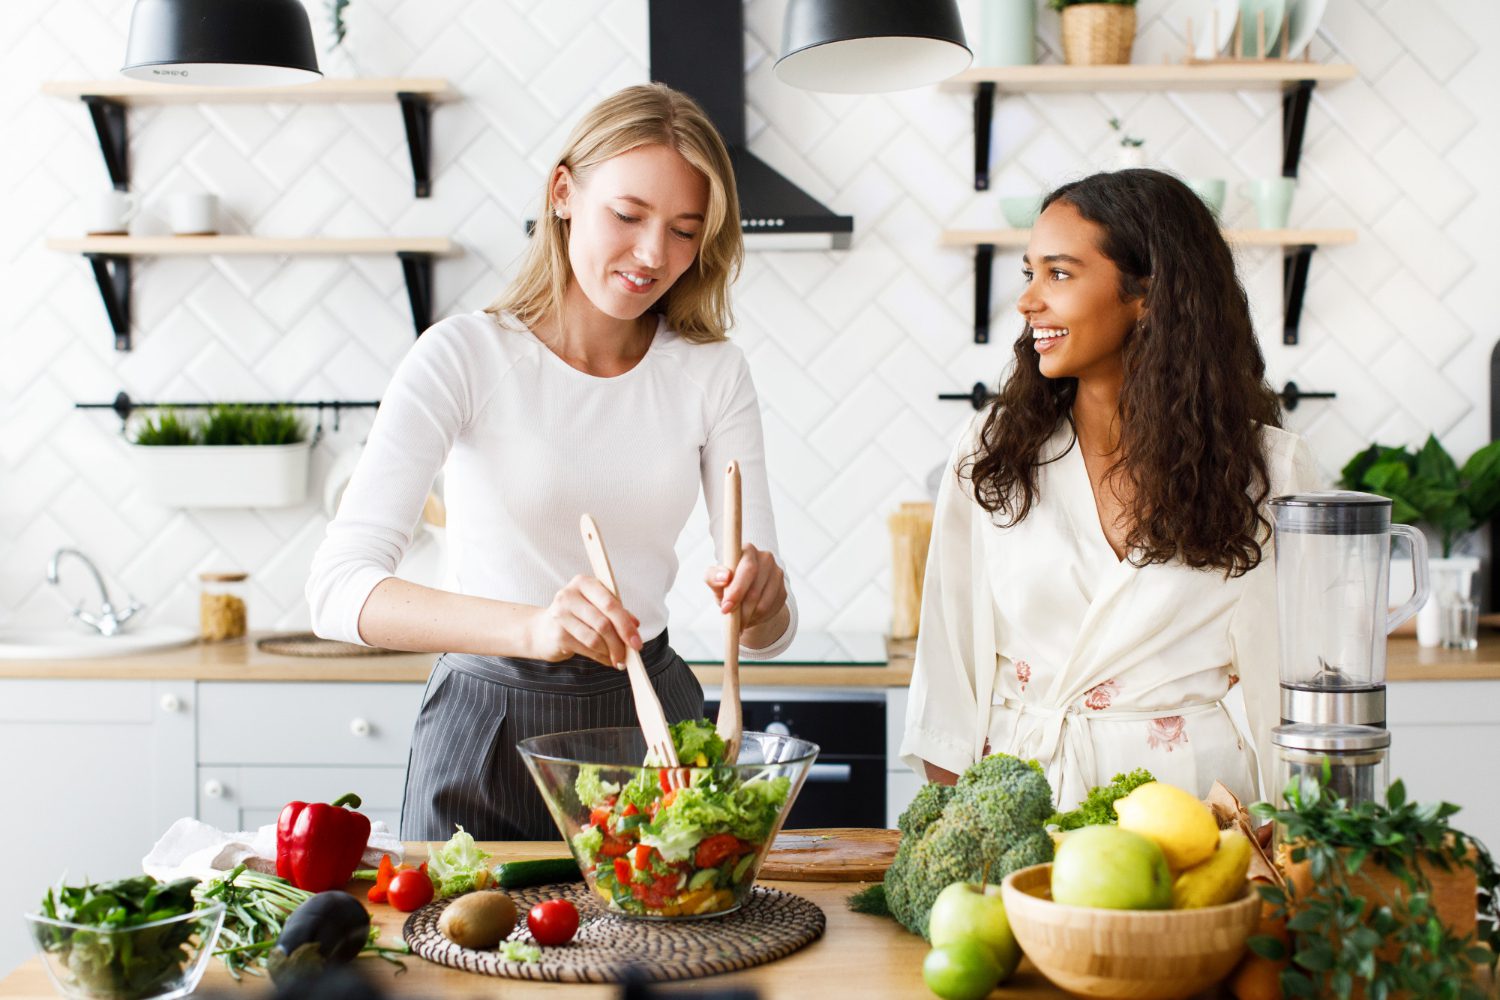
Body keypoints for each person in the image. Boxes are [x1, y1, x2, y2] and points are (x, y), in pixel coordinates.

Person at [307, 83, 796, 840]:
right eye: (628, 216)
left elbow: (766, 634)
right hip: (485, 727)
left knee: (662, 958)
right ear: (563, 192)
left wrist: (764, 599)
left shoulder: (711, 372)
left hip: (652, 726)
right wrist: (535, 627)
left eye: (683, 230)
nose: (651, 255)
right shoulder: (464, 356)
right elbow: (338, 593)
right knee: (456, 952)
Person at [900, 169, 1318, 810]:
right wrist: (969, 840)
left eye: (1059, 274)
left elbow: (1296, 693)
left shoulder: (1270, 472)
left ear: (1147, 294)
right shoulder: (992, 453)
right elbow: (947, 682)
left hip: (1199, 817)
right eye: (1029, 273)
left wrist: (1289, 847)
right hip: (1026, 809)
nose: (1028, 301)